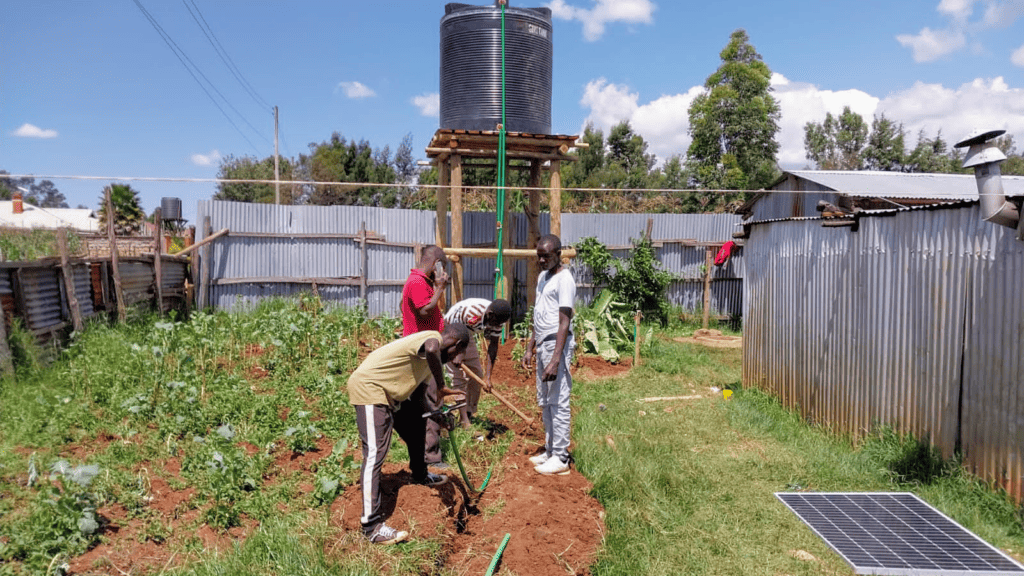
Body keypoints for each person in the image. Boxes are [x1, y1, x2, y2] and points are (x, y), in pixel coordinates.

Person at [347, 323, 471, 544]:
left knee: (416, 424)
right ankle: (371, 526)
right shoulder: (432, 338)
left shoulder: (425, 361)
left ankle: (420, 474)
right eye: (456, 354)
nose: (455, 360)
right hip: (371, 389)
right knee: (375, 453)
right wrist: (442, 385)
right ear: (456, 344)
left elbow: (421, 399)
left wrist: (437, 416)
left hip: (391, 395)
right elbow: (433, 349)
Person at [521, 234, 576, 476]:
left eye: (546, 256)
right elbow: (539, 313)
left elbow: (564, 321)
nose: (542, 260)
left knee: (558, 401)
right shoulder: (543, 278)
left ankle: (561, 456)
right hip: (542, 344)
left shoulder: (565, 280)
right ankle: (550, 448)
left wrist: (556, 359)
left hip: (556, 346)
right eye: (539, 256)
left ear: (558, 255)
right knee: (544, 401)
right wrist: (529, 346)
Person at [400, 245, 450, 466]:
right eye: (441, 267)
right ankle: (431, 457)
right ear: (436, 264)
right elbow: (423, 310)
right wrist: (440, 289)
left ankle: (424, 455)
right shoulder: (419, 282)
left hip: (423, 349)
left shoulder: (418, 281)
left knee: (425, 400)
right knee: (430, 401)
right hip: (422, 353)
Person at [443, 298, 513, 428]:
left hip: (465, 334)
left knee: (477, 374)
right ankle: (464, 421)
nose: (496, 325)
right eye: (495, 322)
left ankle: (469, 412)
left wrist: (488, 377)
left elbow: (493, 346)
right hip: (449, 332)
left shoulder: (497, 319)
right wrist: (458, 354)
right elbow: (457, 331)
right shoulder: (472, 313)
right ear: (490, 314)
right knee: (459, 377)